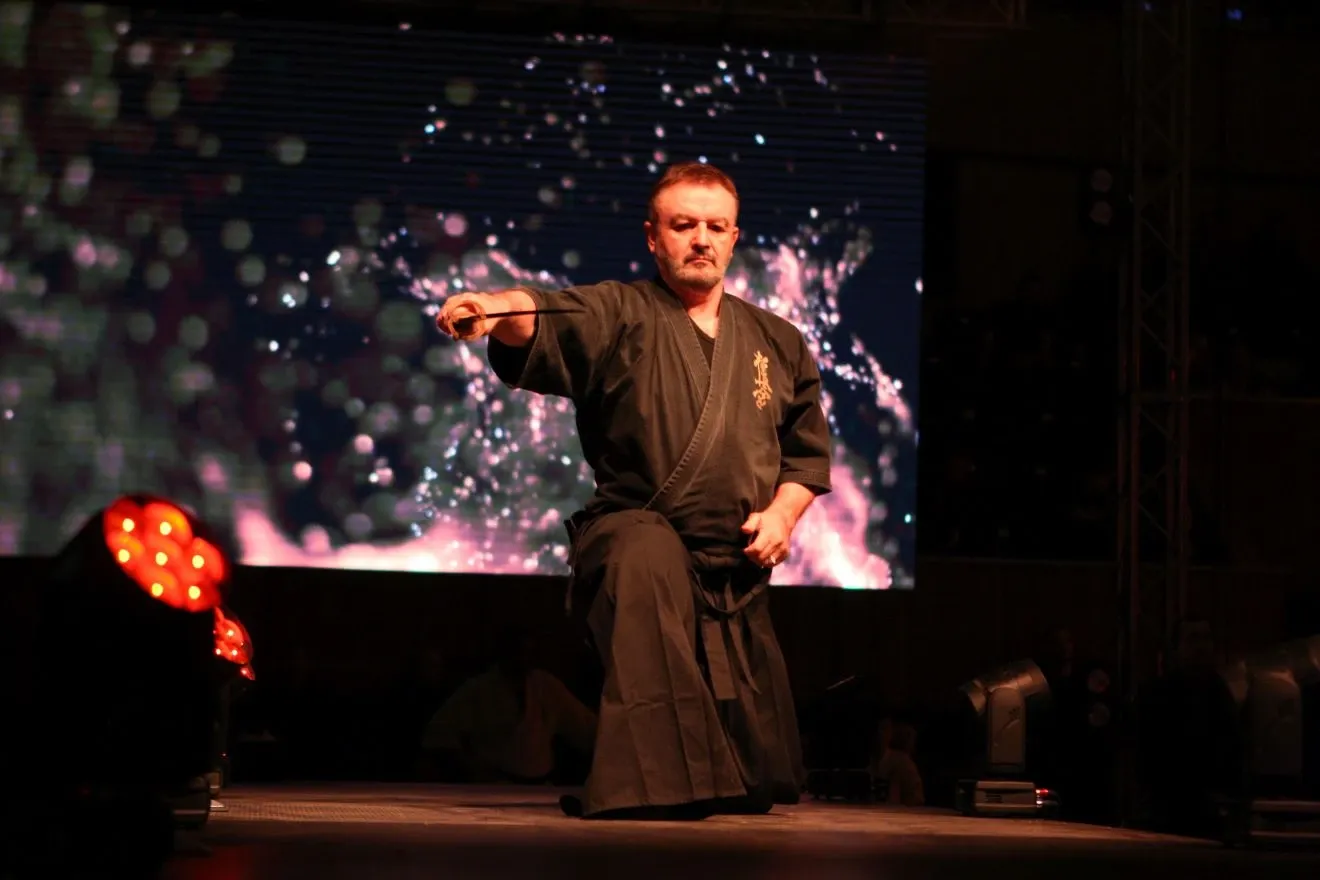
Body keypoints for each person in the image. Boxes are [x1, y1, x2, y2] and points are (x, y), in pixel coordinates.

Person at [434, 162, 832, 819]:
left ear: (734, 238)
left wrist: (784, 515)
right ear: (653, 236)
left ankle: (708, 772)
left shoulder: (779, 341)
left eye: (716, 227)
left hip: (731, 567)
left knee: (761, 783)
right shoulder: (618, 312)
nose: (700, 239)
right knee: (645, 553)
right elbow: (538, 313)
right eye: (684, 225)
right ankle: (656, 783)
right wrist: (487, 307)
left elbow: (805, 453)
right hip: (634, 537)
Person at [419, 628, 597, 784]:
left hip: (540, 785)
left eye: (527, 652)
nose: (521, 659)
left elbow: (585, 726)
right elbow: (440, 731)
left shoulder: (546, 686)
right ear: (503, 654)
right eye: (516, 652)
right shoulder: (479, 689)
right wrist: (469, 766)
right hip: (494, 785)